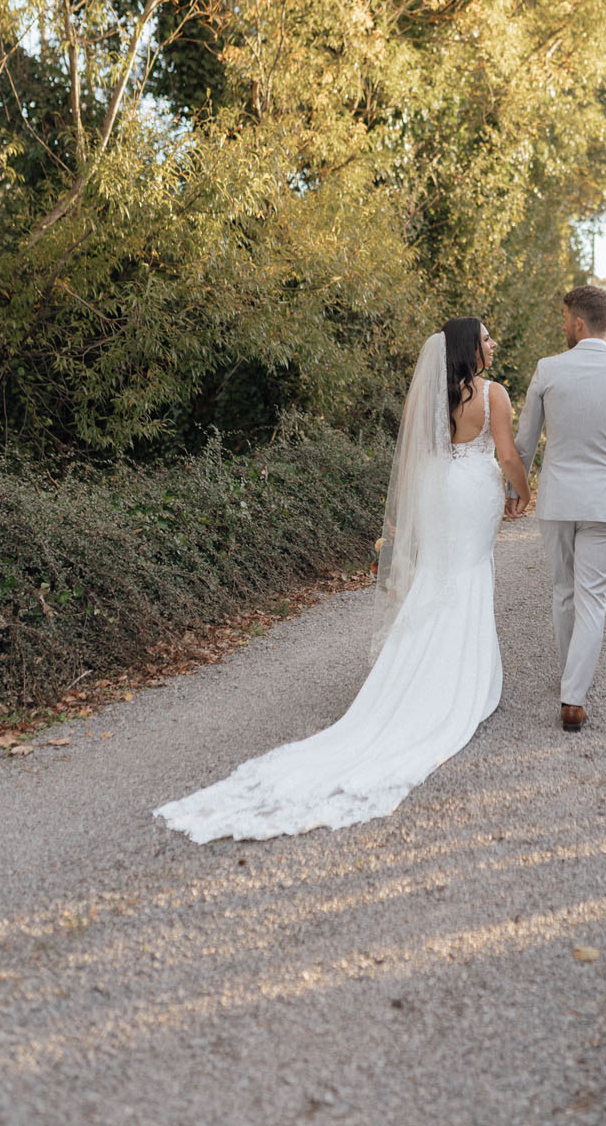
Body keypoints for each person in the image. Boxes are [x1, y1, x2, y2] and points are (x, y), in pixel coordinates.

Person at [154, 318, 530, 842]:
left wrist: (403, 517)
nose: (493, 342)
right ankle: (455, 680)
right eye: (487, 337)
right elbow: (507, 454)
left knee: (438, 573)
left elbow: (414, 457)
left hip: (438, 490)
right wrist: (523, 491)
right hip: (474, 491)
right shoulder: (494, 395)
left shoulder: (430, 394)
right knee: (468, 573)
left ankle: (410, 673)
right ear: (472, 346)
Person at [505, 285, 606, 732]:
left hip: (557, 500)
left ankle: (572, 681)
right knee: (593, 598)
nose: (564, 326)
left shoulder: (548, 369)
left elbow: (525, 439)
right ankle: (574, 694)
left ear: (580, 323)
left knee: (564, 591)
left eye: (566, 319)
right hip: (604, 503)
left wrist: (515, 489)